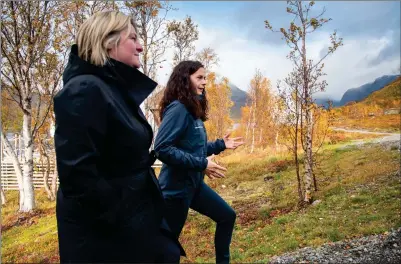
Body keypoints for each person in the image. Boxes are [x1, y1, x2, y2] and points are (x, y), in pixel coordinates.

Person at [54, 11, 183, 263]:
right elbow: (78, 175)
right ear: (107, 41)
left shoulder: (113, 88)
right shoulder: (85, 89)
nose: (140, 46)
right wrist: (123, 216)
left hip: (133, 216)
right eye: (132, 38)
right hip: (108, 233)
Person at [154, 61, 244, 264]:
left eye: (206, 78)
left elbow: (194, 148)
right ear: (185, 80)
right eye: (200, 78)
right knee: (167, 249)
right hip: (175, 192)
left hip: (193, 186)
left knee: (226, 216)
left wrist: (221, 144)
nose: (204, 82)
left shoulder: (192, 111)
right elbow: (162, 149)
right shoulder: (177, 109)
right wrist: (202, 164)